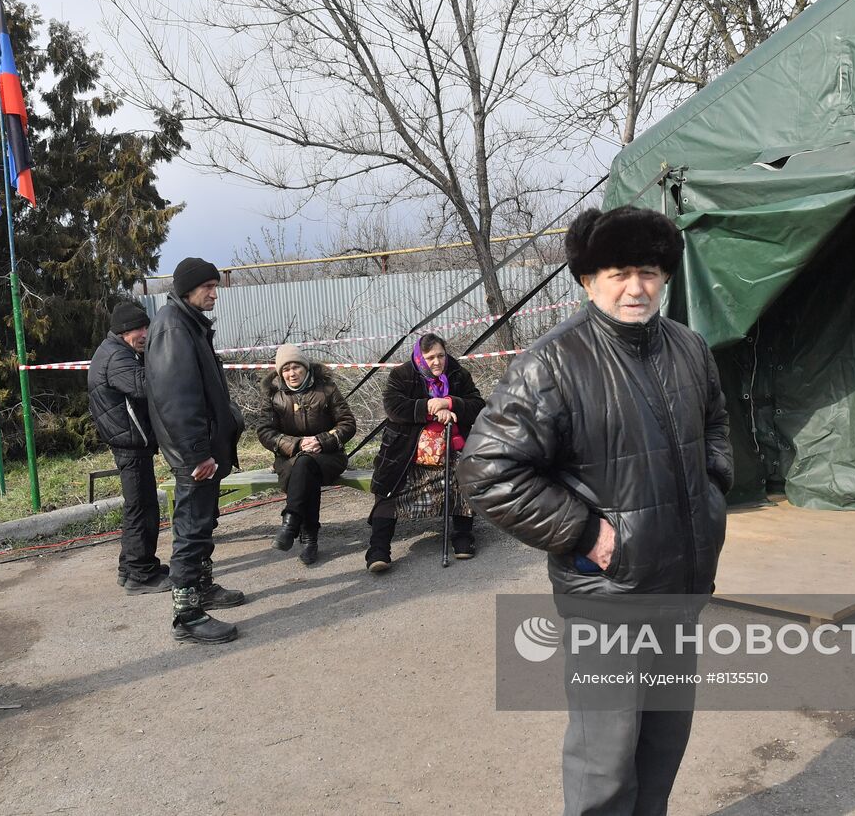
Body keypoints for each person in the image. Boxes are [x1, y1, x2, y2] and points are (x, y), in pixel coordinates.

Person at [458, 206, 733, 816]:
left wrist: (712, 489)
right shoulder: (551, 363)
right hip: (605, 591)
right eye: (617, 273)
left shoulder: (689, 347)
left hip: (680, 582)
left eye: (649, 272)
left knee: (664, 740)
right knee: (605, 755)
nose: (636, 287)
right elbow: (486, 471)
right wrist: (586, 532)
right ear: (586, 280)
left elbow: (715, 424)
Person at [145, 257, 247, 645]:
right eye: (207, 286)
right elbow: (177, 399)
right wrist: (196, 454)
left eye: (215, 286)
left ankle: (202, 587)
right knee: (190, 527)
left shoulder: (189, 324)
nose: (214, 293)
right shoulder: (173, 328)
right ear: (188, 288)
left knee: (203, 521)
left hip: (205, 450)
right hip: (195, 455)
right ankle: (186, 614)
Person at [365, 333, 486, 572]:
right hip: (407, 449)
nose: (437, 362)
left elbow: (478, 405)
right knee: (390, 487)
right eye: (430, 357)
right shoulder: (402, 375)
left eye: (441, 355)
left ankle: (463, 535)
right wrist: (431, 408)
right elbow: (394, 407)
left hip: (452, 446)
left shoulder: (458, 374)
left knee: (465, 473)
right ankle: (378, 549)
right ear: (421, 358)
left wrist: (450, 403)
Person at [88, 301, 168, 595]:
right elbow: (145, 385)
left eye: (147, 327)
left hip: (130, 441)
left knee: (140, 506)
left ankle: (130, 567)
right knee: (141, 508)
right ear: (123, 331)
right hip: (129, 443)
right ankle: (140, 574)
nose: (144, 334)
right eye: (139, 329)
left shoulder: (116, 351)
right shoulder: (117, 358)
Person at [256, 344, 357, 565]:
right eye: (286, 369)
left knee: (305, 465)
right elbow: (264, 431)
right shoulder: (273, 395)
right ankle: (309, 539)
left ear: (306, 368)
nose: (291, 373)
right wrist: (297, 444)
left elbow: (348, 424)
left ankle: (291, 523)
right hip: (289, 456)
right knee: (303, 465)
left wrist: (322, 441)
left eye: (296, 367)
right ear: (280, 372)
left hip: (329, 455)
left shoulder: (327, 389)